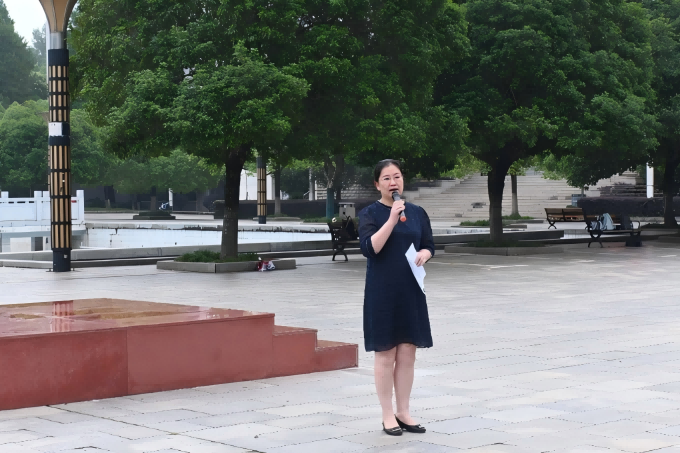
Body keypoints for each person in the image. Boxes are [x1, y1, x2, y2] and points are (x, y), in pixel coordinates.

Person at [358, 159, 435, 436]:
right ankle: (387, 414)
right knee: (385, 353)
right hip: (382, 292)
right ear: (377, 184)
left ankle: (404, 411)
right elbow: (370, 248)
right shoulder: (369, 213)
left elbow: (428, 244)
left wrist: (425, 253)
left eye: (397, 176)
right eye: (387, 178)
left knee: (407, 353)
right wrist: (391, 219)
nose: (393, 182)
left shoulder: (417, 212)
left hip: (410, 290)